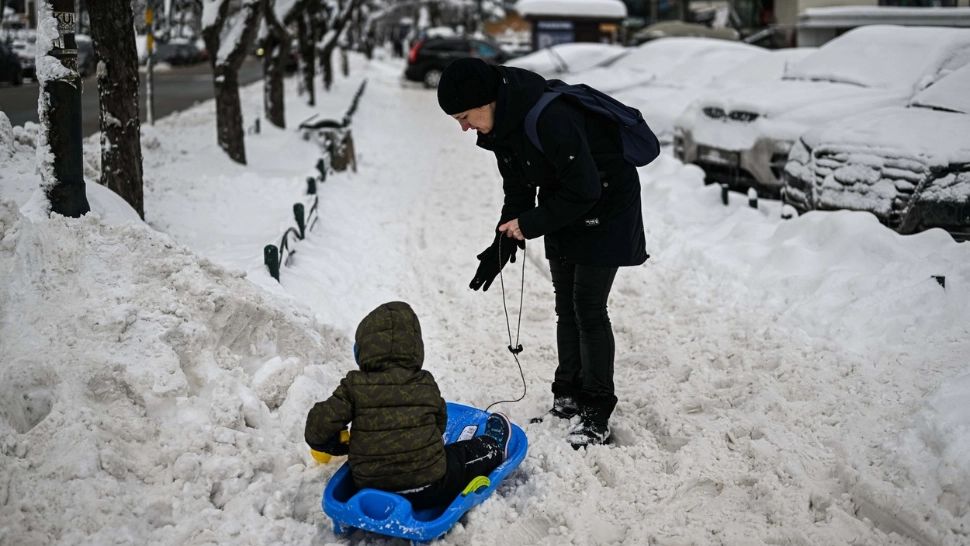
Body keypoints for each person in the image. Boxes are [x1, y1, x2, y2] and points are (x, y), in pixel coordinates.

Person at [436, 58, 650, 448]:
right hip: (564, 202)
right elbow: (518, 192)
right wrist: (502, 242)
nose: (464, 127)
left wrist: (530, 224)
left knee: (588, 305)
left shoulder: (550, 117)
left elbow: (586, 189)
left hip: (606, 203)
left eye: (465, 116)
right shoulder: (503, 129)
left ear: (487, 101)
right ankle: (566, 396)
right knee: (565, 305)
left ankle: (596, 411)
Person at [305, 301, 512, 509]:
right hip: (429, 487)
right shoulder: (424, 382)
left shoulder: (354, 385)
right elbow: (440, 424)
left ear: (361, 350)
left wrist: (339, 445)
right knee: (462, 457)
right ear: (415, 349)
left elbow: (317, 429)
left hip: (368, 486)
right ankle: (493, 446)